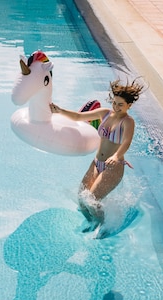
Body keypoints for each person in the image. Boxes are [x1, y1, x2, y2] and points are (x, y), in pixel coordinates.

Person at [49, 78, 145, 224]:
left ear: (129, 105)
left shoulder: (127, 121)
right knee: (82, 199)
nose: (116, 107)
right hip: (96, 163)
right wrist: (60, 111)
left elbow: (126, 141)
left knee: (92, 200)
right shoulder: (105, 113)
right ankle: (91, 223)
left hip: (113, 166)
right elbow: (78, 116)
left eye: (121, 105)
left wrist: (116, 155)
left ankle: (102, 225)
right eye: (114, 102)